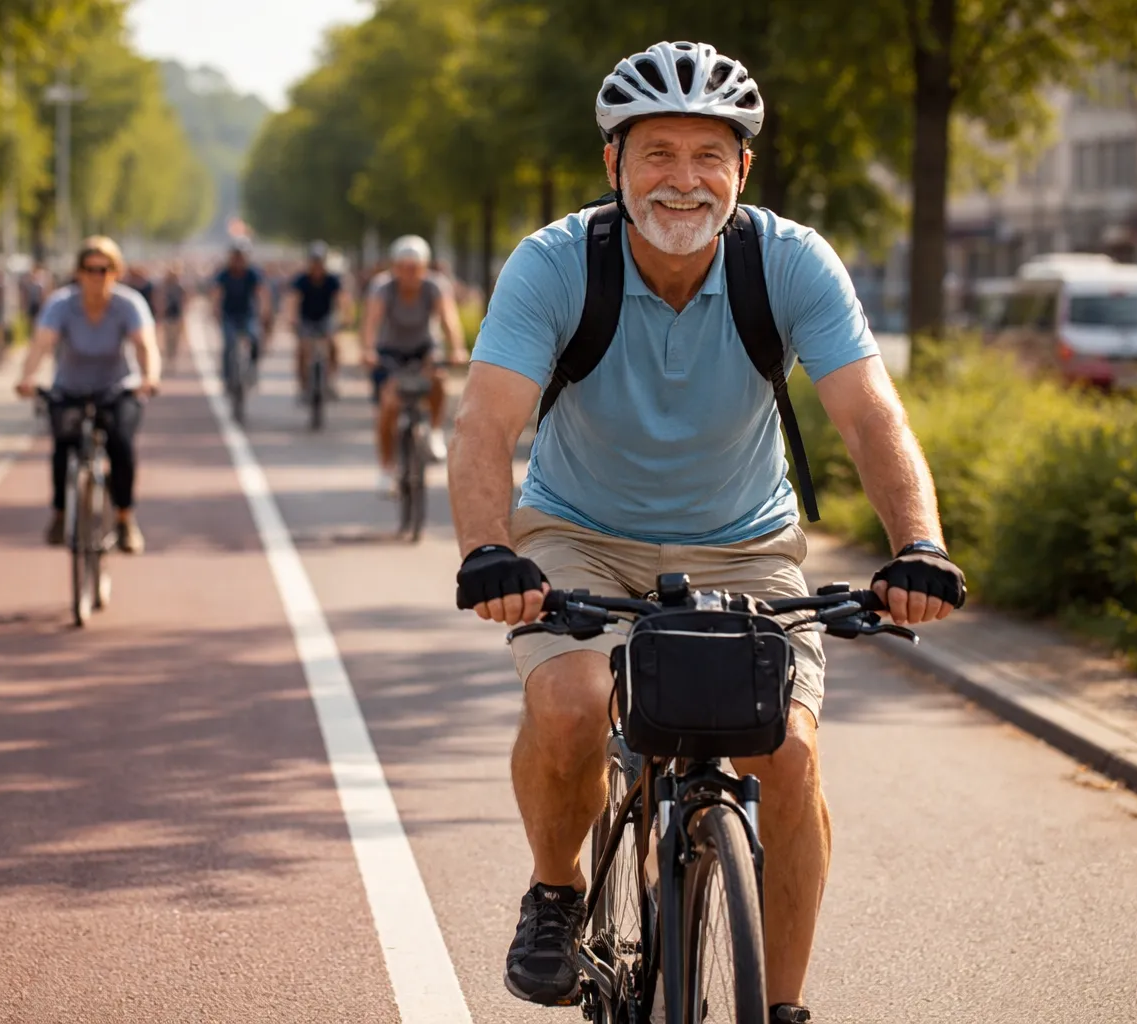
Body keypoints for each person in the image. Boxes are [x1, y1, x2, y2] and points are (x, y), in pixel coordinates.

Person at [448, 42, 968, 1022]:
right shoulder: (557, 265)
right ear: (614, 165)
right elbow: (484, 424)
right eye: (656, 154)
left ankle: (780, 1008)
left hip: (745, 546)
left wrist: (921, 545)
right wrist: (489, 550)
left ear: (742, 170)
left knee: (795, 756)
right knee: (566, 703)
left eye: (707, 155)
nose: (682, 180)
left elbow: (869, 415)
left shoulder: (790, 262)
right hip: (578, 530)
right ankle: (557, 890)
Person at [14, 236, 161, 555]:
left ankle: (125, 518)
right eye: (90, 269)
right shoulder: (61, 304)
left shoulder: (129, 303)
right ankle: (59, 513)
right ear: (78, 272)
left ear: (116, 271)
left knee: (121, 444)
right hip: (70, 388)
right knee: (62, 443)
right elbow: (41, 344)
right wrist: (27, 377)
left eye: (105, 269)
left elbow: (145, 345)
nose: (98, 276)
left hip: (116, 388)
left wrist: (150, 377)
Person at [362, 235, 466, 494]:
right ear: (395, 267)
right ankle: (387, 469)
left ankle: (433, 432)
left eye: (415, 267)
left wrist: (457, 348)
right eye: (404, 267)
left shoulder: (435, 286)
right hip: (391, 351)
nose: (410, 273)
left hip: (424, 349)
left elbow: (449, 318)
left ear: (425, 267)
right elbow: (371, 322)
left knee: (439, 378)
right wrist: (367, 349)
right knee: (389, 406)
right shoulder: (382, 287)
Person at [284, 241, 351, 399]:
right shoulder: (301, 279)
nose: (317, 265)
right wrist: (291, 318)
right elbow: (292, 299)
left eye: (319, 261)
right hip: (306, 318)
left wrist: (346, 316)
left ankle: (331, 379)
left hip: (325, 318)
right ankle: (303, 383)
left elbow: (342, 299)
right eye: (314, 261)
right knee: (302, 348)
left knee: (333, 345)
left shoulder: (331, 279)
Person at [210, 239, 273, 382]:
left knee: (255, 339)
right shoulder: (224, 274)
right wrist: (215, 310)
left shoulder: (252, 274)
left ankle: (253, 368)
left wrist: (264, 311)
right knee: (229, 343)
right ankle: (227, 377)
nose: (238, 259)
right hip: (229, 315)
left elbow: (262, 293)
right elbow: (216, 294)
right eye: (236, 256)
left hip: (248, 314)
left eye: (241, 256)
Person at [159, 267, 189, 363]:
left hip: (177, 314)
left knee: (175, 336)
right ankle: (169, 352)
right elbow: (160, 299)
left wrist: (183, 313)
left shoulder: (180, 287)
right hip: (168, 314)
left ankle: (173, 353)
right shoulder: (165, 287)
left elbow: (184, 300)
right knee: (168, 336)